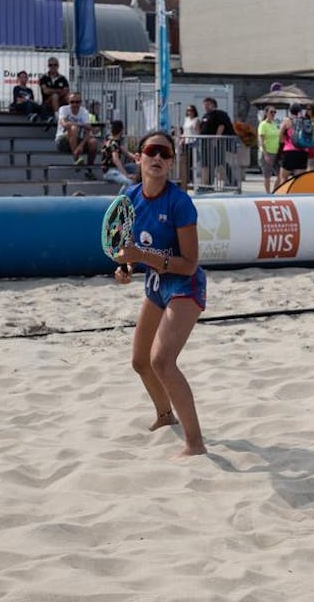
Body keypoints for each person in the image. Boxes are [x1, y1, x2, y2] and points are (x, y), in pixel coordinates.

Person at [111, 130, 207, 458]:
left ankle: (195, 444)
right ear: (138, 157)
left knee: (162, 361)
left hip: (184, 284)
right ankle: (165, 416)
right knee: (140, 362)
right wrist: (125, 269)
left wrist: (140, 256)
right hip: (155, 282)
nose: (157, 158)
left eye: (165, 154)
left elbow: (189, 264)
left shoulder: (179, 202)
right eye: (151, 151)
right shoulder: (130, 197)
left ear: (171, 163)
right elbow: (128, 249)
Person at [55, 92, 97, 175]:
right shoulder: (63, 109)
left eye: (77, 102)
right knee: (73, 129)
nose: (74, 104)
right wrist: (81, 125)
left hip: (78, 140)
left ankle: (89, 169)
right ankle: (76, 158)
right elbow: (64, 124)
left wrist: (81, 145)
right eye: (72, 102)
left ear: (80, 102)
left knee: (93, 142)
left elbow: (89, 130)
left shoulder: (84, 112)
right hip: (63, 140)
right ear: (69, 102)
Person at [199, 96, 235, 188]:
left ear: (213, 105)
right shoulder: (205, 116)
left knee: (219, 163)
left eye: (208, 104)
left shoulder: (218, 114)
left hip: (216, 144)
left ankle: (229, 183)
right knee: (206, 164)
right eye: (205, 105)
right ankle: (205, 184)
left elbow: (221, 126)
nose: (206, 106)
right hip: (205, 144)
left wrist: (216, 139)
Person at [277, 103, 310, 186]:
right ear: (300, 111)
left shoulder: (287, 121)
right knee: (299, 180)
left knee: (284, 178)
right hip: (303, 152)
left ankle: (284, 197)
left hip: (289, 152)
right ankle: (298, 197)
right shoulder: (305, 121)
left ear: (290, 111)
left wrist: (285, 140)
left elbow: (280, 138)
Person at [101, 119, 138, 187]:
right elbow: (116, 160)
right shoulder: (113, 143)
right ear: (121, 130)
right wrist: (126, 175)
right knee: (130, 182)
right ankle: (121, 197)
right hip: (110, 172)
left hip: (116, 169)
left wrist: (141, 159)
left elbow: (127, 153)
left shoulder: (115, 142)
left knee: (135, 167)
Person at [257, 107, 281, 192]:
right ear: (266, 113)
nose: (273, 114)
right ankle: (268, 194)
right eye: (271, 112)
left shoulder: (274, 124)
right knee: (267, 176)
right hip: (267, 153)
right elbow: (261, 140)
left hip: (276, 153)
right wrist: (266, 154)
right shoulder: (263, 124)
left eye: (275, 112)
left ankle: (274, 192)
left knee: (280, 174)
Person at [179, 104, 201, 188]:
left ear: (194, 111)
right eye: (188, 110)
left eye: (191, 110)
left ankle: (192, 181)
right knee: (186, 163)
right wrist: (182, 139)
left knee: (192, 162)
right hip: (186, 142)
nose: (189, 112)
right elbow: (185, 131)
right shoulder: (186, 119)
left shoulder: (196, 120)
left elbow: (198, 132)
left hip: (193, 142)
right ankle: (187, 181)